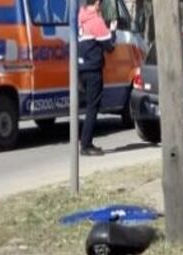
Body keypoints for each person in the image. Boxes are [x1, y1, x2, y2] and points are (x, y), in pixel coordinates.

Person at [78, 0, 116, 157]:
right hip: (93, 69)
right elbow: (110, 46)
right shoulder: (96, 21)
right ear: (98, 3)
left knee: (89, 106)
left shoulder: (80, 16)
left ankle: (88, 142)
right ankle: (86, 145)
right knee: (92, 107)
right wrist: (113, 30)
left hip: (81, 69)